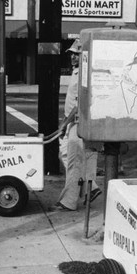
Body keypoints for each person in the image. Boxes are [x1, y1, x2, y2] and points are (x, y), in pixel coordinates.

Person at [49, 39, 101, 212]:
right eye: (71, 54)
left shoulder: (83, 75)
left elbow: (79, 104)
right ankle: (91, 188)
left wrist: (65, 123)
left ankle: (68, 201)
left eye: (76, 54)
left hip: (77, 122)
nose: (72, 57)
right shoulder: (76, 72)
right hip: (72, 122)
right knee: (64, 154)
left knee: (73, 162)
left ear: (84, 56)